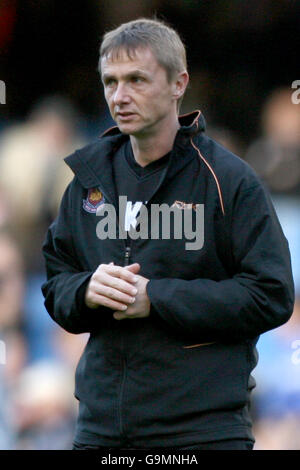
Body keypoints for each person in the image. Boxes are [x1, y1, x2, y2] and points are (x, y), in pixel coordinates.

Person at [41, 18, 295, 450]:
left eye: (136, 79)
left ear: (179, 84)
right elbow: (56, 285)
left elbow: (271, 295)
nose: (119, 97)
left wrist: (156, 298)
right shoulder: (87, 179)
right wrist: (86, 290)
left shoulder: (229, 180)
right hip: (101, 428)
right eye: (110, 82)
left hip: (202, 431)